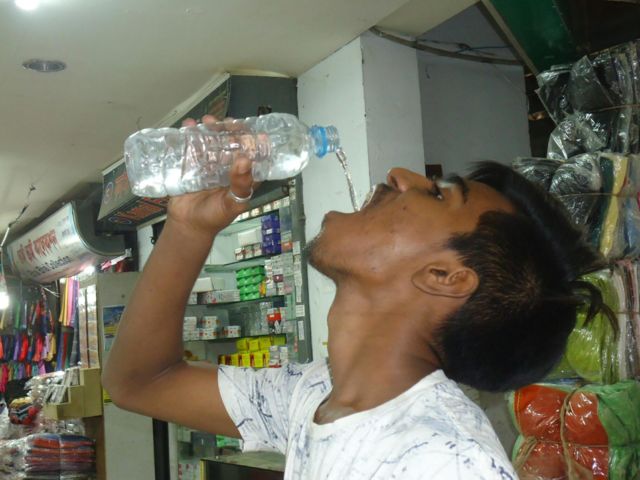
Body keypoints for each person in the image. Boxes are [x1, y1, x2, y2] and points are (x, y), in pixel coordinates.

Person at [103, 116, 609, 479]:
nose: (399, 176)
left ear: (442, 276)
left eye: (438, 194)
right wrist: (190, 228)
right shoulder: (314, 396)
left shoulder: (442, 461)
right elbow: (140, 382)